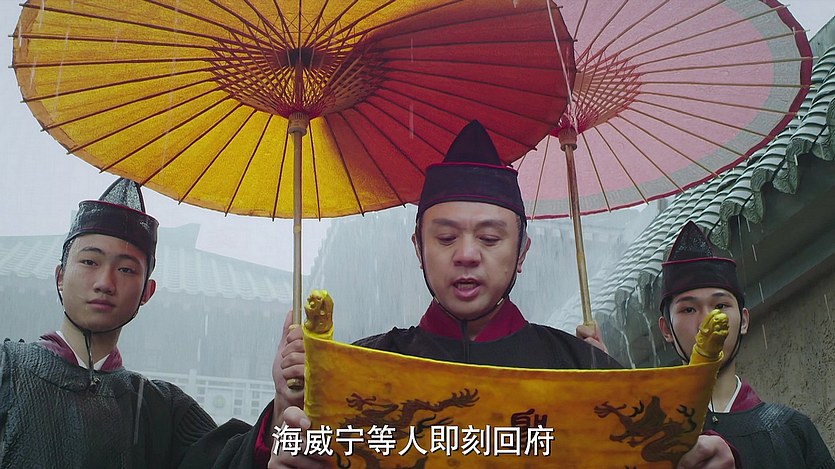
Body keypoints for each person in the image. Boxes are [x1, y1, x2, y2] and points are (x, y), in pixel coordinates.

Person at [270, 121, 739, 469]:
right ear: (418, 247)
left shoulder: (581, 369)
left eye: (490, 239)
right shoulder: (361, 369)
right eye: (446, 237)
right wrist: (286, 412)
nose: (466, 255)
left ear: (522, 252)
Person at [0, 178, 282, 468]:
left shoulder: (162, 409)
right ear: (60, 276)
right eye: (89, 262)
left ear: (147, 292)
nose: (105, 283)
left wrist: (284, 400)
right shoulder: (8, 369)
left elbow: (233, 459)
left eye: (126, 269)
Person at [656, 221, 834, 468]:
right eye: (688, 309)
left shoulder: (792, 429)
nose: (707, 321)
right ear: (666, 329)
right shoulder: (651, 435)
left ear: (744, 321)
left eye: (721, 306)